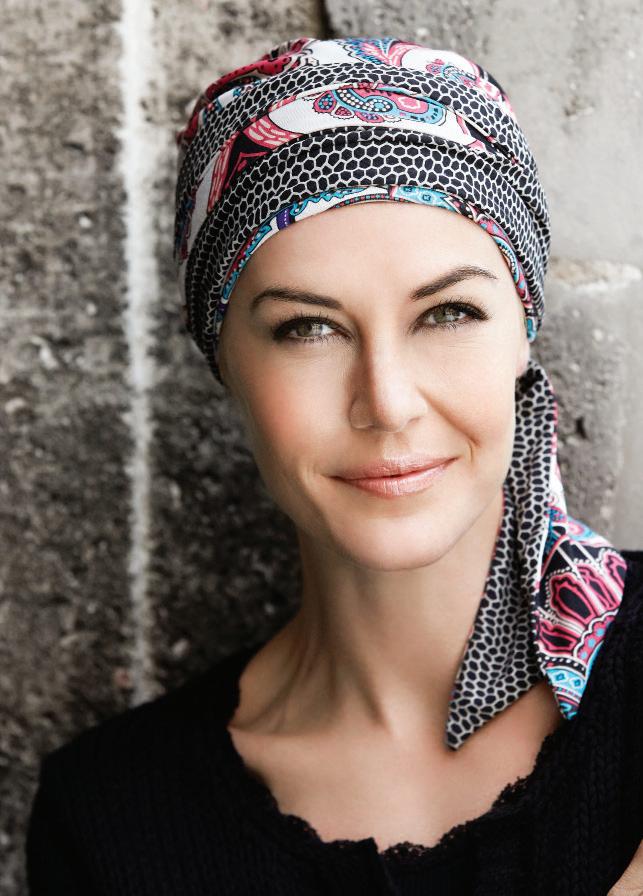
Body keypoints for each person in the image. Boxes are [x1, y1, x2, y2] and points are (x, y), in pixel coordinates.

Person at [25, 36, 643, 895]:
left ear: (522, 332)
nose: (386, 402)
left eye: (448, 313)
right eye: (307, 328)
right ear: (224, 362)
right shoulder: (113, 819)